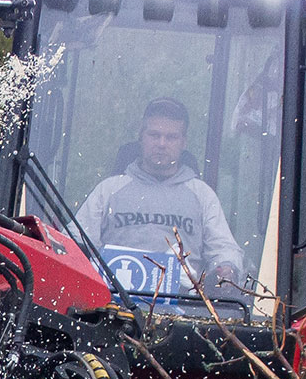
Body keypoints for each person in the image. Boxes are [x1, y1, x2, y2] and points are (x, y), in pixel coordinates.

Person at [72, 97, 245, 298]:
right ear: (141, 137)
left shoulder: (202, 195)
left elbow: (224, 251)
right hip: (114, 307)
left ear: (183, 142)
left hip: (185, 311)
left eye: (171, 137)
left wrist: (226, 269)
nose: (161, 144)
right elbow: (74, 244)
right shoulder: (108, 191)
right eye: (154, 135)